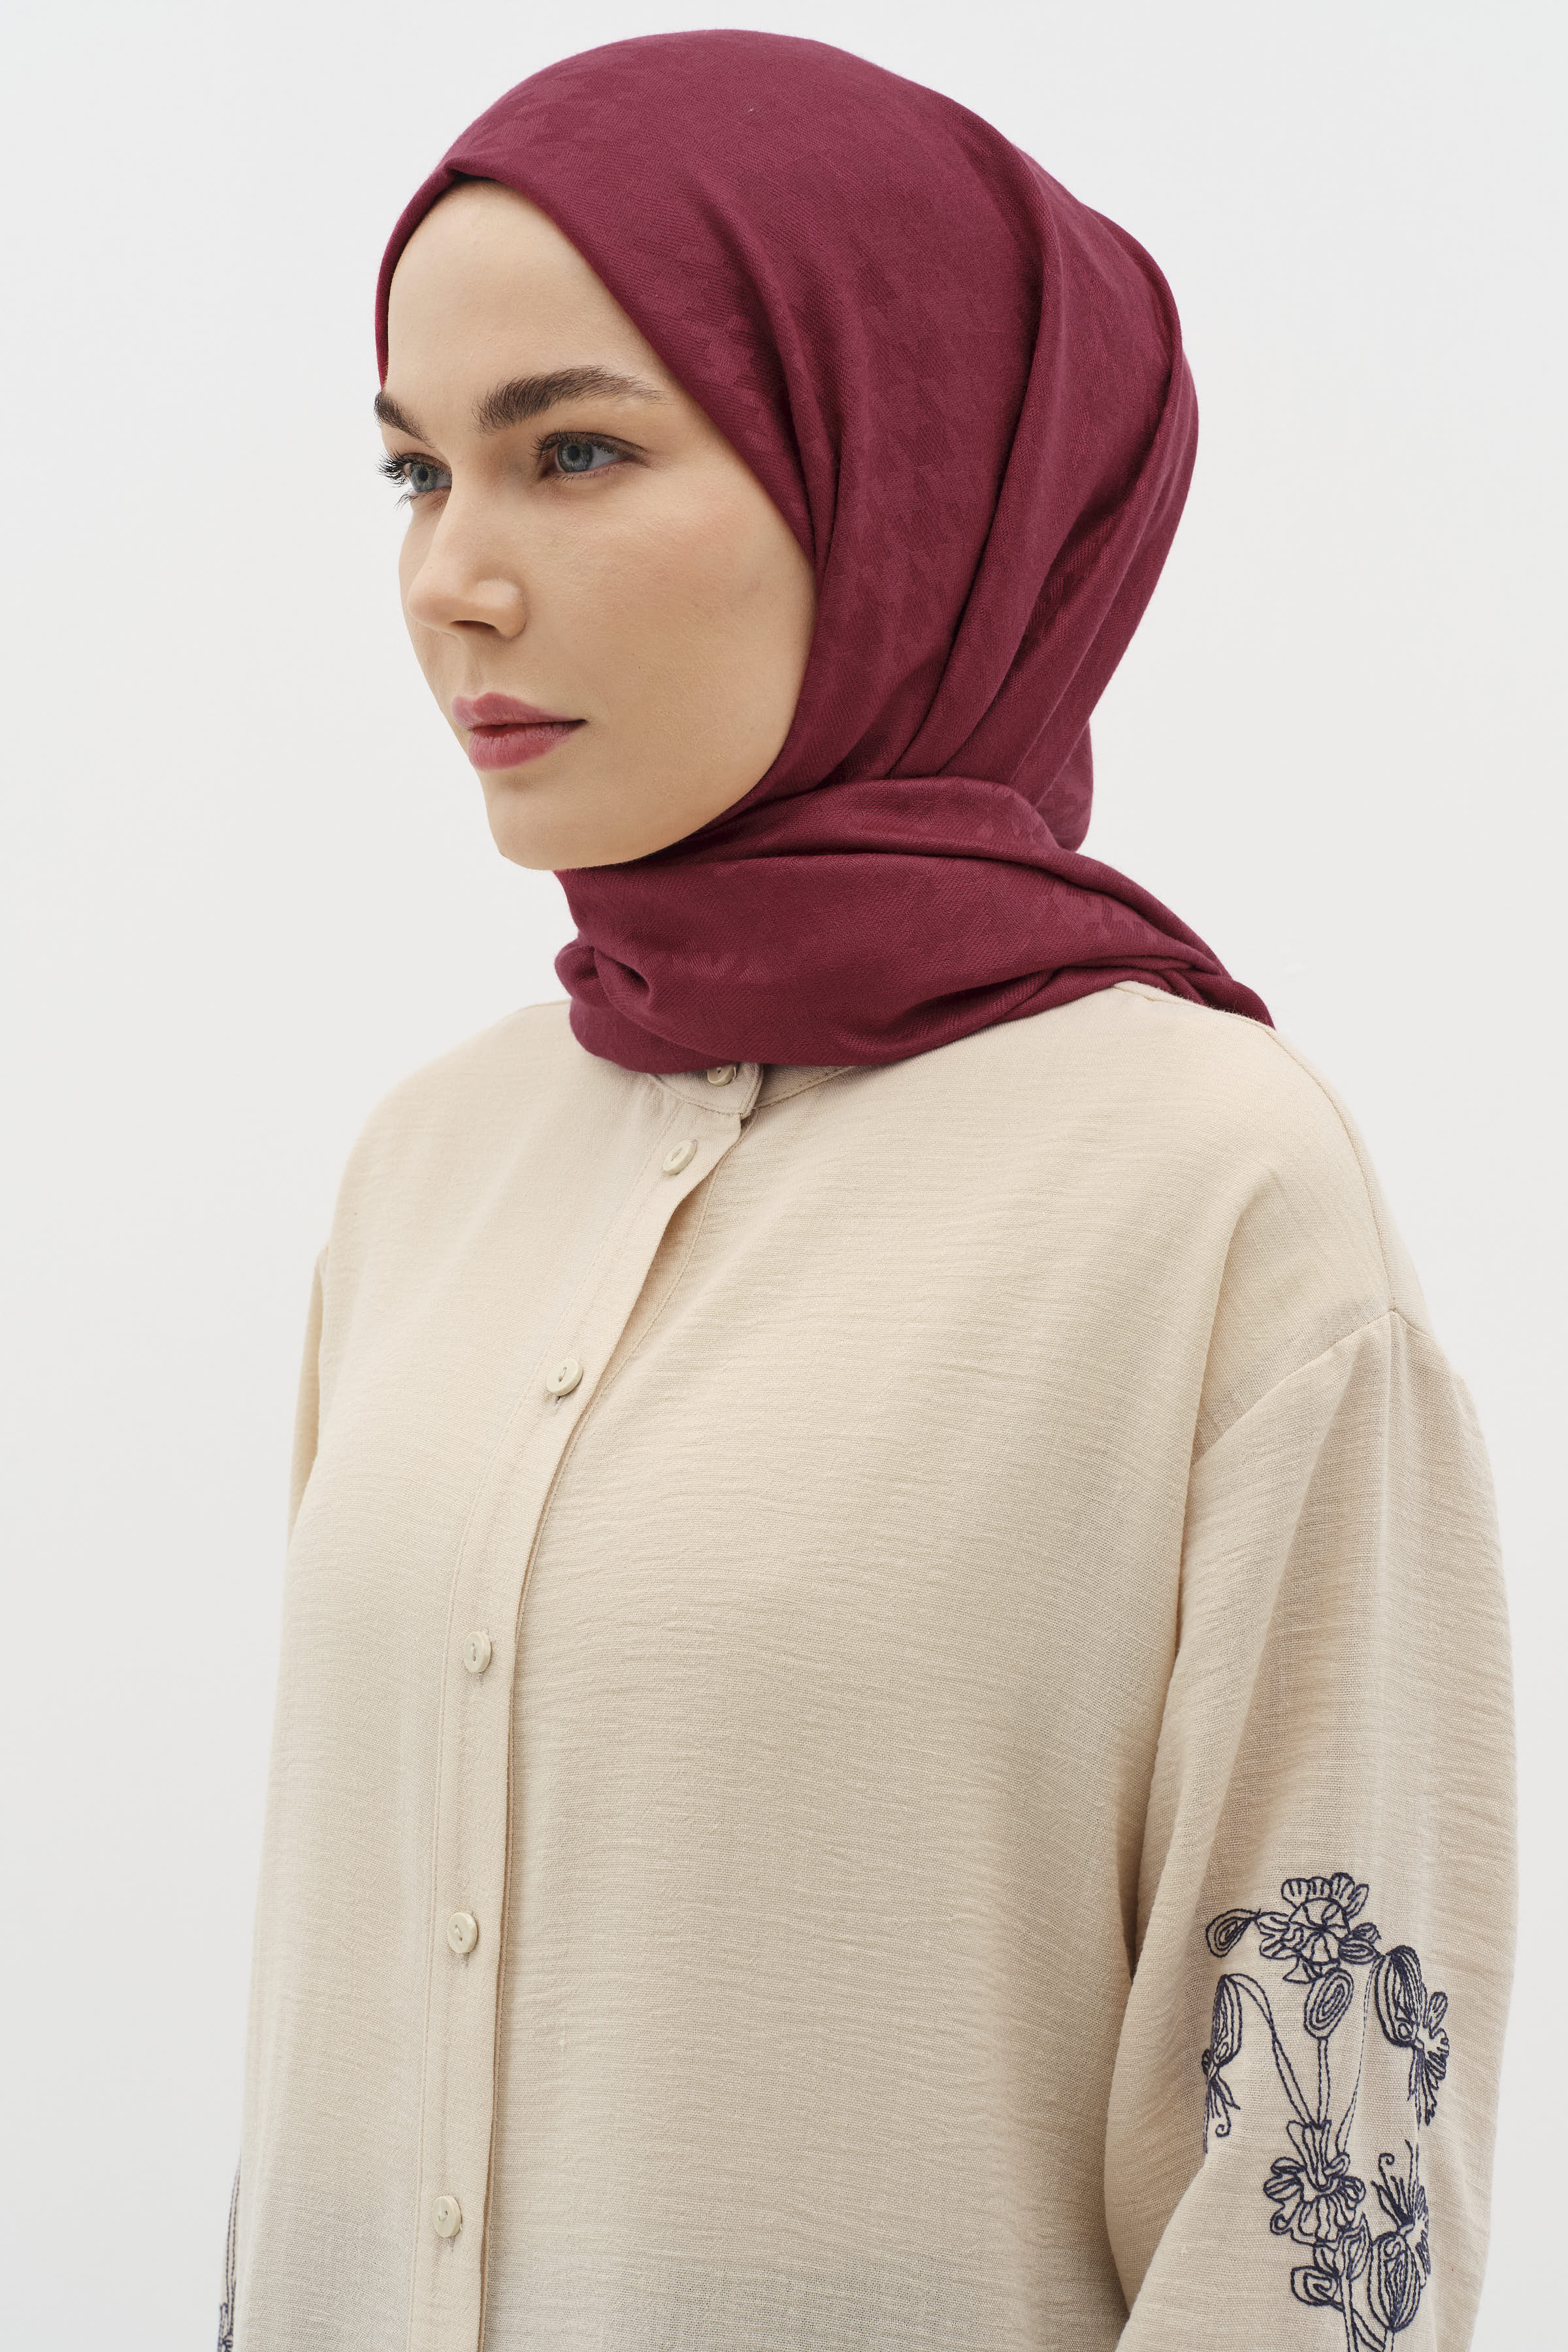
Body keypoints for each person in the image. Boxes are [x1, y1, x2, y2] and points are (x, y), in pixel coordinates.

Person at [223, 31, 1515, 2352]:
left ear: (903, 475)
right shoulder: (434, 1164)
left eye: (575, 451)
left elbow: (1320, 2219)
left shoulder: (1210, 1193)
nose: (452, 582)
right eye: (418, 469)